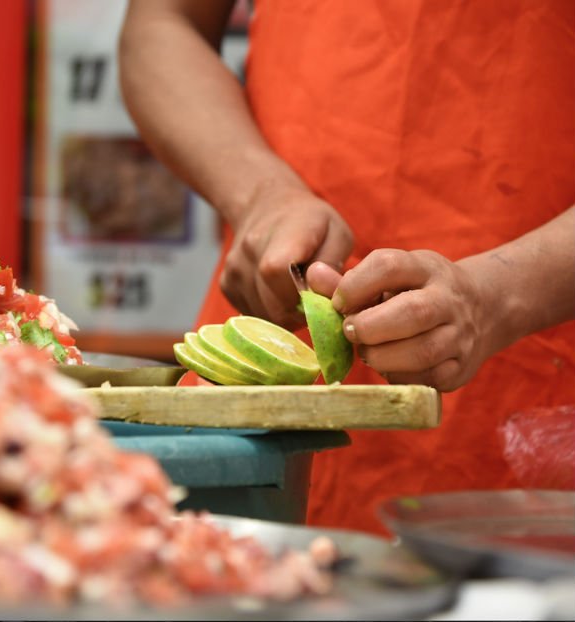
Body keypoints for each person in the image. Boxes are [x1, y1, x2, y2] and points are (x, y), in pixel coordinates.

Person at [118, 0, 575, 534]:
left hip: (533, 396)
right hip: (270, 372)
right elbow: (161, 23)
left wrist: (499, 294)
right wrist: (259, 194)